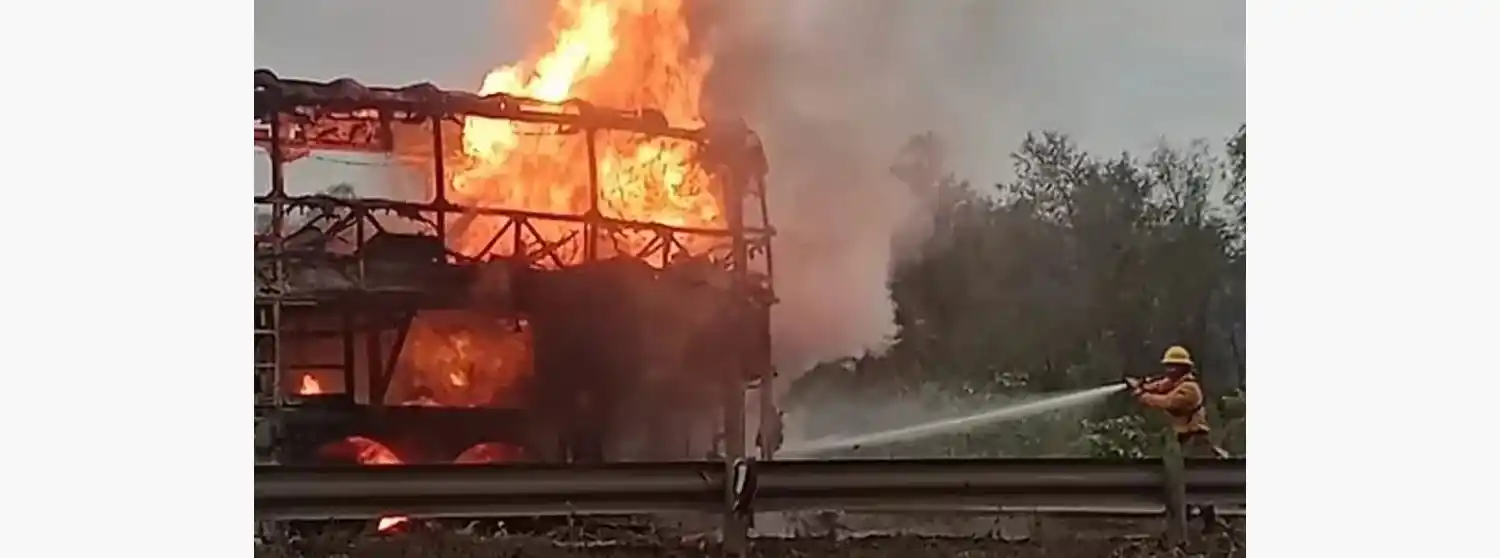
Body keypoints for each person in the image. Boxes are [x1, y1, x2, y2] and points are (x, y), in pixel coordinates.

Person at [1128, 345, 1229, 533]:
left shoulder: (1189, 390)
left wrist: (1142, 395)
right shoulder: (1176, 383)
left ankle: (1207, 525)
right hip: (1185, 439)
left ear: (1184, 368)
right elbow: (1161, 385)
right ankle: (1202, 523)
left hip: (1196, 440)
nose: (1169, 369)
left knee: (1196, 483)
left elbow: (1167, 401)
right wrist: (1142, 385)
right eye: (1168, 365)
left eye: (1174, 366)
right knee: (1192, 483)